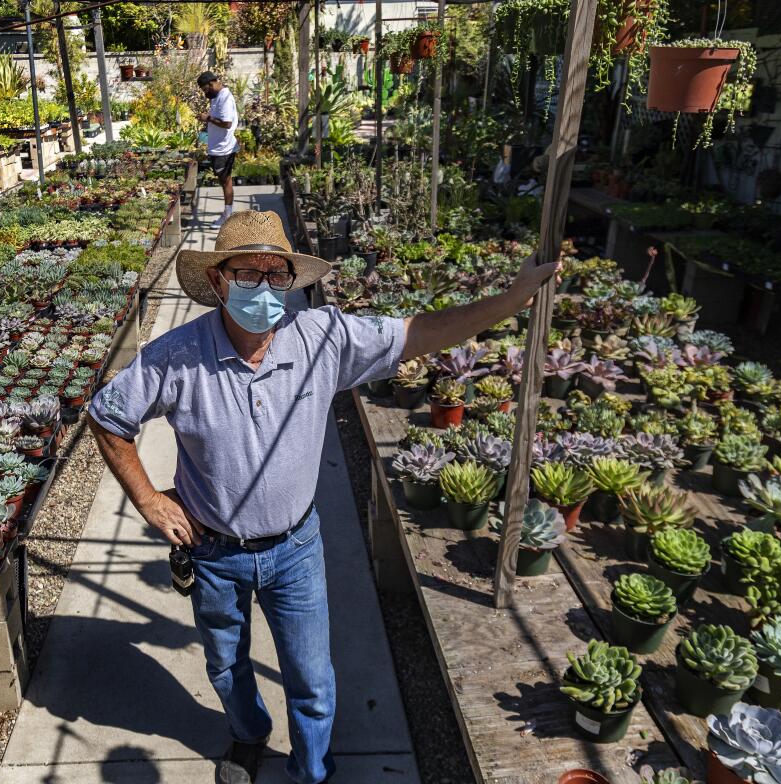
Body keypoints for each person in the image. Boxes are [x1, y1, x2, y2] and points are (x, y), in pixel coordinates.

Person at [87, 211, 558, 784]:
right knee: (225, 664)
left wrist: (509, 300)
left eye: (276, 275)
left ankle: (311, 768)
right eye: (247, 274)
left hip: (295, 549)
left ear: (292, 281)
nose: (264, 289)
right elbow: (108, 417)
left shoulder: (322, 338)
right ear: (217, 282)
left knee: (311, 675)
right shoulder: (176, 357)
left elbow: (420, 332)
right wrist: (150, 501)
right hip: (213, 553)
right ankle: (248, 734)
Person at [197, 71, 238, 228]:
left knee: (225, 181)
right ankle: (227, 214)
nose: (205, 93)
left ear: (212, 84)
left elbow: (226, 123)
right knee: (224, 181)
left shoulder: (224, 98)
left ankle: (227, 218)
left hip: (224, 148)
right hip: (219, 147)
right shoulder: (217, 97)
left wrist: (207, 118)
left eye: (205, 89)